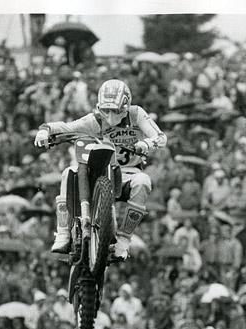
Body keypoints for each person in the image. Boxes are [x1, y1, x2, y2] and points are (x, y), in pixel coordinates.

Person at [34, 79, 167, 260]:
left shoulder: (136, 114)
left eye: (116, 110)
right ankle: (63, 231)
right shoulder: (94, 120)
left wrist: (146, 143)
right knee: (67, 173)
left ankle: (124, 240)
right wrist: (45, 130)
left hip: (128, 172)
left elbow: (160, 137)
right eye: (106, 110)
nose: (111, 116)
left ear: (126, 106)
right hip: (99, 172)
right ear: (99, 107)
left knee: (143, 182)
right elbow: (67, 127)